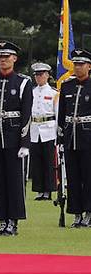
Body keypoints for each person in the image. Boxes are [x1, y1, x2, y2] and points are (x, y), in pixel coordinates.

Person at [0, 40, 33, 235]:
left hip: (14, 138)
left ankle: (14, 220)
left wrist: (24, 142)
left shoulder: (23, 82)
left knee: (14, 180)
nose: (2, 60)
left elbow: (26, 114)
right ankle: (1, 218)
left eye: (6, 57)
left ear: (14, 59)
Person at [58, 49, 91, 227]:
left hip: (87, 137)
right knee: (72, 177)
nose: (78, 67)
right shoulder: (67, 86)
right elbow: (62, 114)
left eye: (81, 64)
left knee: (88, 177)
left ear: (89, 66)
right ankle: (76, 212)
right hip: (71, 137)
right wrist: (60, 139)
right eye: (76, 64)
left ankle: (89, 212)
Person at [30, 62, 58, 201]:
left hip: (49, 129)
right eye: (36, 75)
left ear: (47, 75)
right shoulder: (31, 92)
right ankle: (39, 190)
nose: (38, 77)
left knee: (48, 161)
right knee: (37, 162)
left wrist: (58, 134)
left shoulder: (53, 93)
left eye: (41, 75)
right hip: (35, 128)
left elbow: (58, 114)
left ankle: (48, 190)